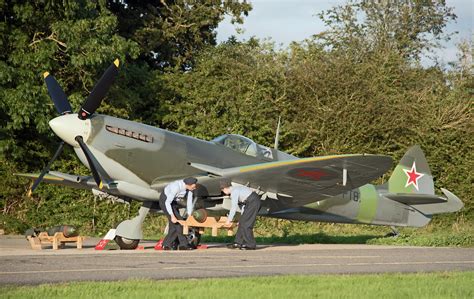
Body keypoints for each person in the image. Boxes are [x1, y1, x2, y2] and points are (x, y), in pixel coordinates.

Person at [220, 179, 261, 250]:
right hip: (251, 202)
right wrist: (242, 218)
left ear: (224, 188)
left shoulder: (234, 192)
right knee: (242, 222)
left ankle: (251, 244)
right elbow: (244, 205)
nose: (223, 192)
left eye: (222, 190)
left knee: (246, 224)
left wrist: (229, 220)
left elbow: (234, 207)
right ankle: (237, 243)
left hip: (253, 202)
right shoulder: (236, 189)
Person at [159, 177, 198, 250]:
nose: (195, 187)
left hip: (173, 201)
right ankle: (183, 245)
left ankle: (167, 244)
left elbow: (189, 202)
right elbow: (167, 202)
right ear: (189, 185)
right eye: (194, 185)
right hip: (165, 200)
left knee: (174, 225)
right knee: (179, 222)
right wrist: (172, 216)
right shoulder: (176, 187)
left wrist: (189, 215)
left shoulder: (190, 189)